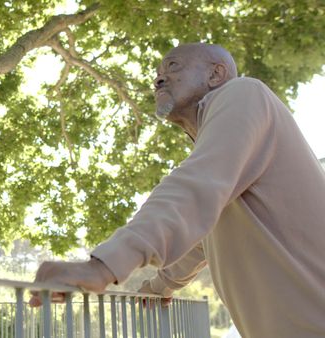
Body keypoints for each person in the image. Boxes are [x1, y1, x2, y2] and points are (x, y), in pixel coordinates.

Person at [30, 43, 325, 337]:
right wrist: (160, 287)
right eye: (157, 72)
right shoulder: (226, 165)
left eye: (173, 67)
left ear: (216, 74)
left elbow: (197, 186)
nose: (158, 78)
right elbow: (203, 239)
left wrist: (102, 267)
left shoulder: (245, 93)